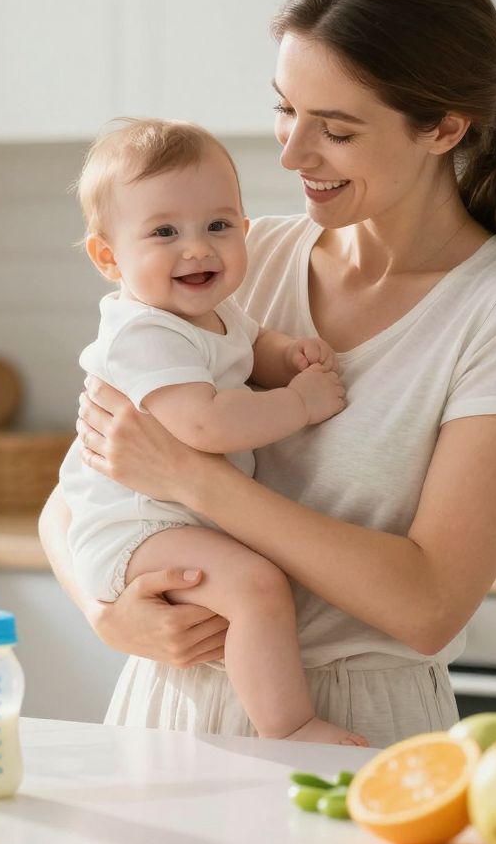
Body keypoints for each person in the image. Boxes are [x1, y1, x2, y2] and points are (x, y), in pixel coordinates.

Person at [38, 0, 496, 747]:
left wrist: (193, 478)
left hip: (356, 731)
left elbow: (429, 604)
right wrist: (106, 615)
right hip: (168, 712)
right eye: (285, 109)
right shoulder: (231, 261)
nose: (292, 152)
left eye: (334, 129)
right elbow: (75, 494)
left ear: (444, 128)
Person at [58, 117, 364, 746]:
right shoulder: (143, 332)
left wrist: (288, 357)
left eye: (218, 227)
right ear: (108, 257)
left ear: (244, 230)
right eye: (165, 232)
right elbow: (204, 423)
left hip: (167, 520)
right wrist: (300, 403)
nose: (197, 249)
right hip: (135, 528)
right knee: (255, 586)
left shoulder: (214, 312)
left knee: (251, 586)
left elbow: (251, 349)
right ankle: (290, 724)